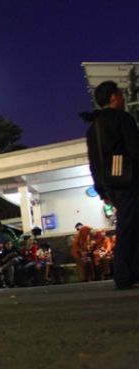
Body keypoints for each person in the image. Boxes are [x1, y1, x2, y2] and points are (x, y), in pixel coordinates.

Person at [84, 81, 139, 289]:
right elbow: (135, 151)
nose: (124, 98)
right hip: (128, 181)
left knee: (131, 224)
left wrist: (101, 190)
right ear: (114, 97)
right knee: (127, 227)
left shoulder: (93, 128)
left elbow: (94, 163)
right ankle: (124, 275)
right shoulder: (123, 119)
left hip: (110, 185)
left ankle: (132, 272)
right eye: (121, 95)